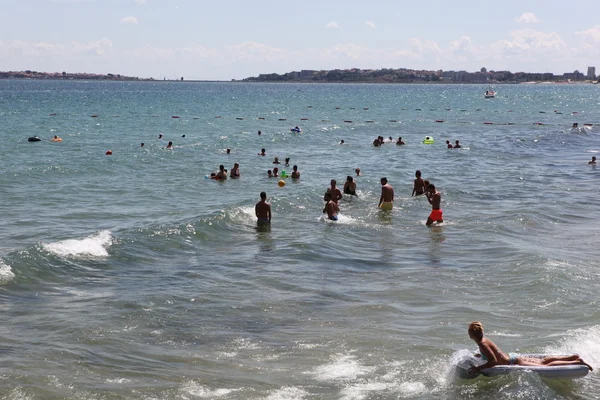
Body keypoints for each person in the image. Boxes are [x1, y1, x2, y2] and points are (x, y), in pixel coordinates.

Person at [467, 321, 592, 376]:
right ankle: (571, 357)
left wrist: (478, 368)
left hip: (515, 361)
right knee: (543, 361)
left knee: (545, 366)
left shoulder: (482, 344)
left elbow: (493, 361)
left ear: (472, 334)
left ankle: (575, 362)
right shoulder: (484, 340)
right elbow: (491, 354)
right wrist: (481, 356)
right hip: (513, 357)